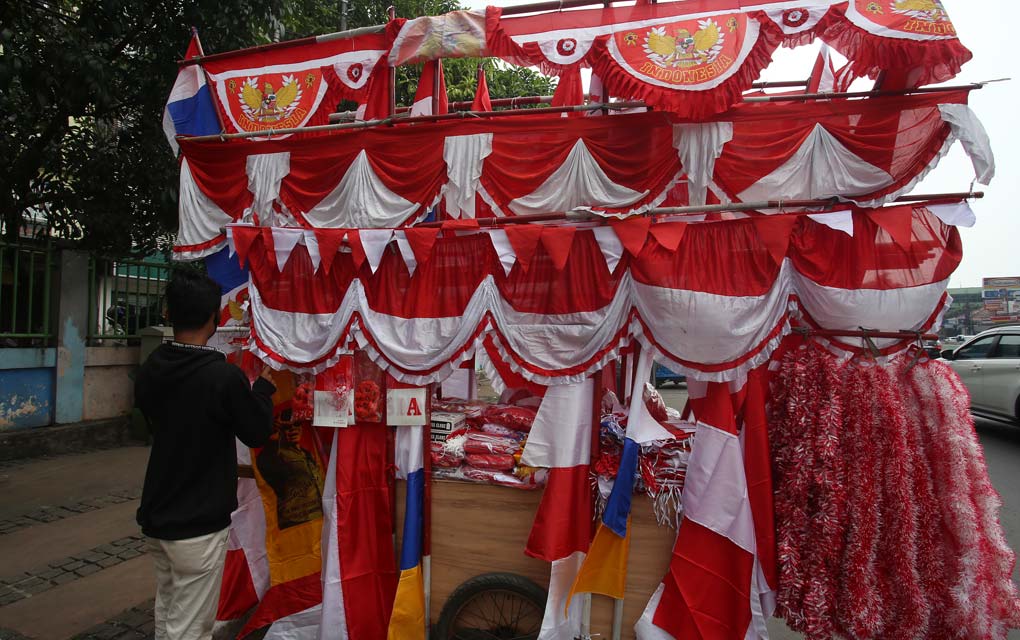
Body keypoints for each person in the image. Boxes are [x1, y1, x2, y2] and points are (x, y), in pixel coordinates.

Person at [135, 270, 276, 640]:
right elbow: (256, 430)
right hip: (196, 523)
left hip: (158, 513)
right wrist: (262, 387)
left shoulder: (152, 368)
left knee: (167, 610)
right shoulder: (220, 377)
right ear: (214, 320)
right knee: (191, 627)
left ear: (169, 314)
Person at [255, 408, 324, 529]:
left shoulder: (308, 454)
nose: (293, 430)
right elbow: (265, 465)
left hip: (319, 514)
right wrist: (273, 440)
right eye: (287, 427)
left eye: (297, 424)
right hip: (294, 520)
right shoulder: (276, 454)